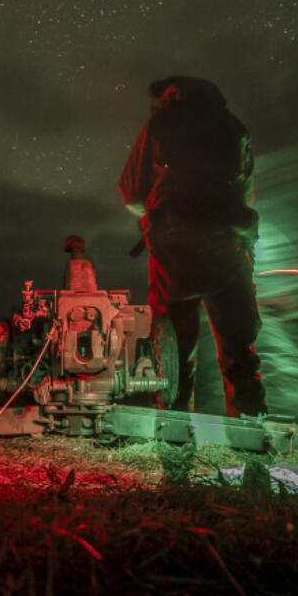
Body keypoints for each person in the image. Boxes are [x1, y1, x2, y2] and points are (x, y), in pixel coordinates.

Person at [118, 76, 267, 417]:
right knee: (238, 344)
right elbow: (246, 191)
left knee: (173, 345)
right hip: (229, 248)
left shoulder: (159, 125)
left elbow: (131, 193)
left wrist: (159, 219)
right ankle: (250, 424)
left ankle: (175, 426)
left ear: (170, 96)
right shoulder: (234, 127)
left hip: (174, 251)